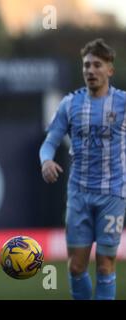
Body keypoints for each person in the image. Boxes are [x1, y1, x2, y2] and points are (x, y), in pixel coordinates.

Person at [40, 39, 126, 300]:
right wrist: (46, 161)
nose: (90, 70)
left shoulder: (123, 103)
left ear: (109, 69)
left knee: (105, 265)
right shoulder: (70, 104)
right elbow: (49, 143)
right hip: (78, 194)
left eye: (97, 65)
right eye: (86, 65)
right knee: (76, 267)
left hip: (113, 194)